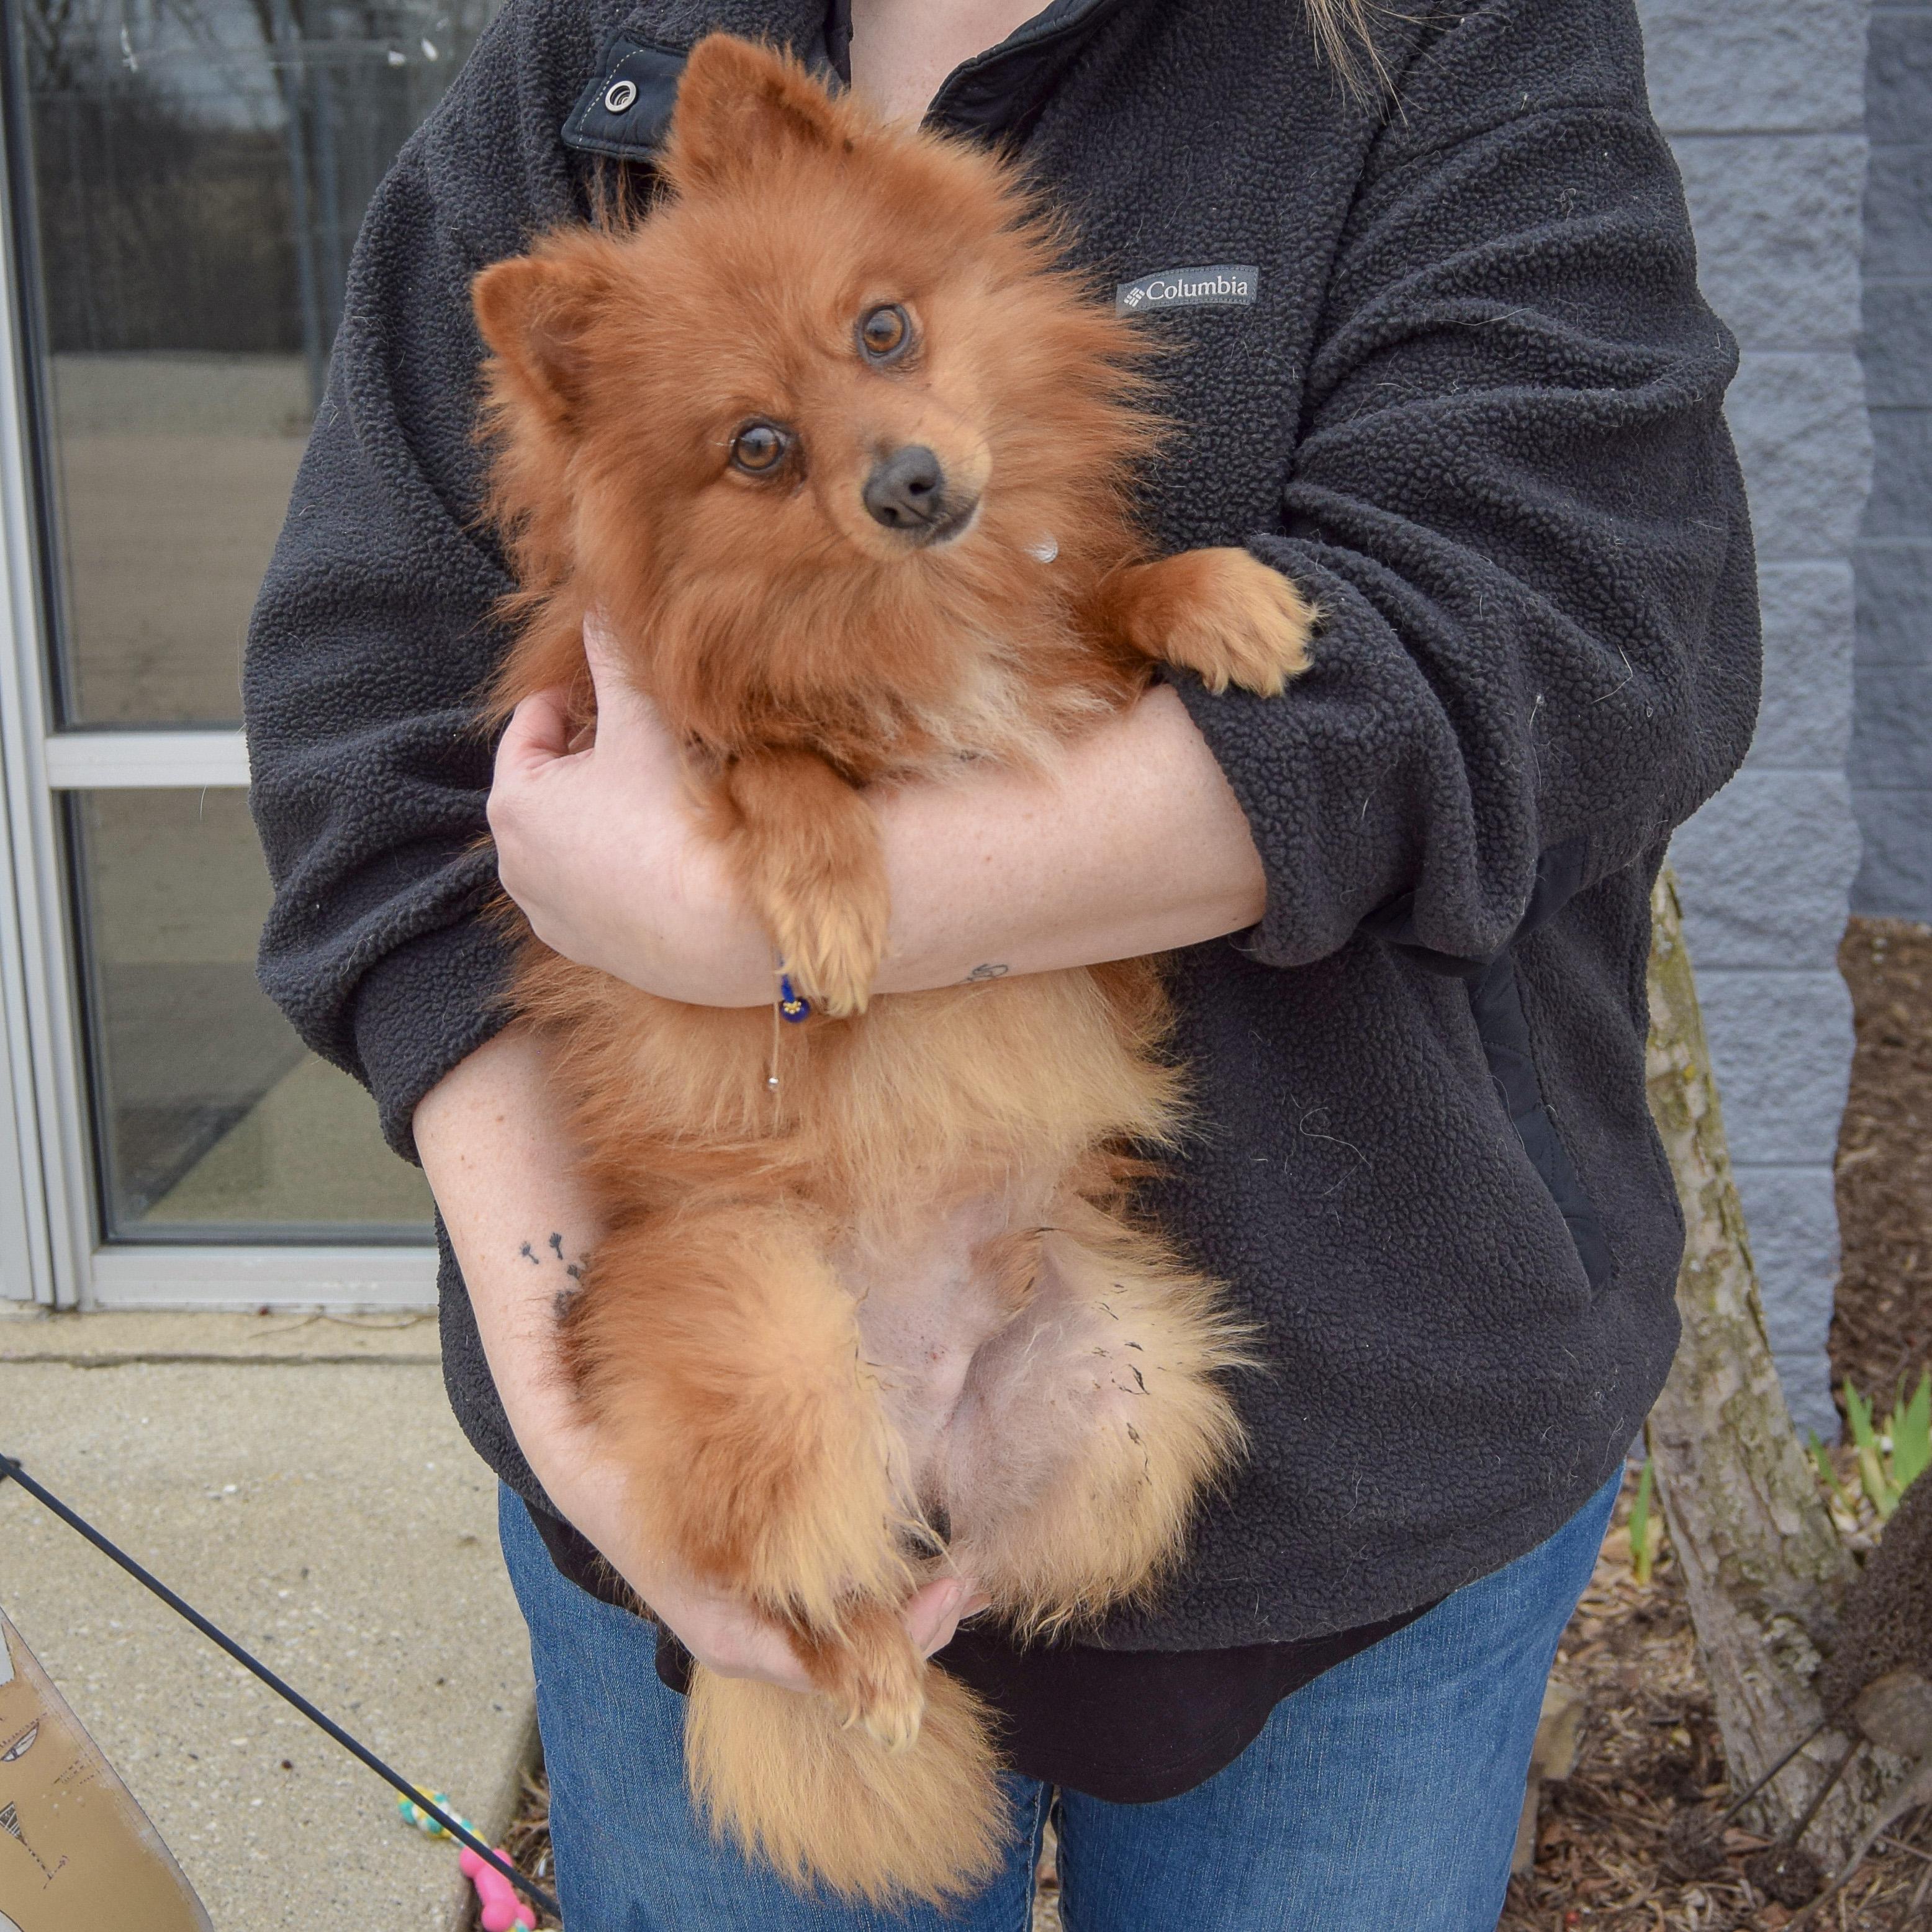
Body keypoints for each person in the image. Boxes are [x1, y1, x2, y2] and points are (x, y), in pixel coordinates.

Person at [243, 0, 1761, 1922]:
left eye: (887, 340)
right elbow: (364, 738)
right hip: (740, 1448)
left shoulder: (1443, 42)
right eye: (780, 438)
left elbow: (1570, 635)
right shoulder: (586, 57)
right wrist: (606, 1433)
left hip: (1351, 1465)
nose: (882, 448)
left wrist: (771, 919)